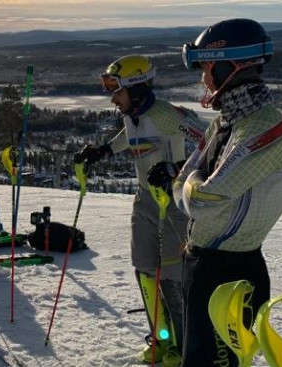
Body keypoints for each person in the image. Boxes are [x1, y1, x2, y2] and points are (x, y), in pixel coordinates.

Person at [146, 18, 282, 366]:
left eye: (207, 68)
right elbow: (188, 180)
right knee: (195, 357)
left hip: (230, 272)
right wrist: (188, 183)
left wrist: (187, 185)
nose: (203, 78)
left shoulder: (266, 131)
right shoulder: (227, 122)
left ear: (230, 66)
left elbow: (199, 200)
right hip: (203, 265)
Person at [74, 54, 206, 366]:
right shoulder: (132, 115)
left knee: (172, 276)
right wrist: (104, 150)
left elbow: (208, 141)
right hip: (146, 198)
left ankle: (183, 346)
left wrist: (176, 168)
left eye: (116, 90)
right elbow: (130, 137)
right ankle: (161, 338)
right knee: (145, 270)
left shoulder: (166, 115)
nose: (112, 97)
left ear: (135, 88)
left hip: (174, 203)